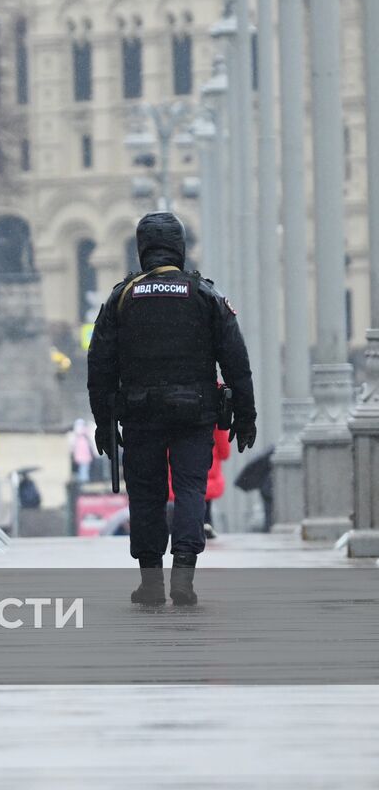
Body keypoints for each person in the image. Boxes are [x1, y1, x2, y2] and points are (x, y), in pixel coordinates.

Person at [86, 212, 256, 606]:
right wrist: (246, 416)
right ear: (180, 247)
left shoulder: (121, 297)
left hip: (140, 413)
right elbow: (236, 362)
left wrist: (103, 421)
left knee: (145, 494)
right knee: (190, 489)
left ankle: (149, 582)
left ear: (142, 248)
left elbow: (100, 365)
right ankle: (183, 573)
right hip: (195, 413)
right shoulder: (205, 295)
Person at [69, 418, 95, 484]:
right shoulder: (81, 437)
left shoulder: (80, 437)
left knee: (83, 468)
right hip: (83, 456)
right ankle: (83, 481)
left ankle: (83, 480)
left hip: (83, 456)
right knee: (83, 469)